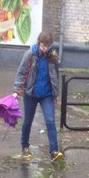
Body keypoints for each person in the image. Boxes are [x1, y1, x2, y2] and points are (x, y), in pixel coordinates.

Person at [14, 31, 63, 161]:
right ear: (39, 43)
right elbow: (21, 72)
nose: (45, 48)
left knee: (51, 121)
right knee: (28, 121)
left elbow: (55, 76)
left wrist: (55, 93)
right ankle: (25, 146)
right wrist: (16, 90)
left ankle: (54, 152)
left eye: (47, 46)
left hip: (47, 95)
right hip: (31, 93)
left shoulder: (52, 56)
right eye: (43, 45)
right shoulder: (30, 54)